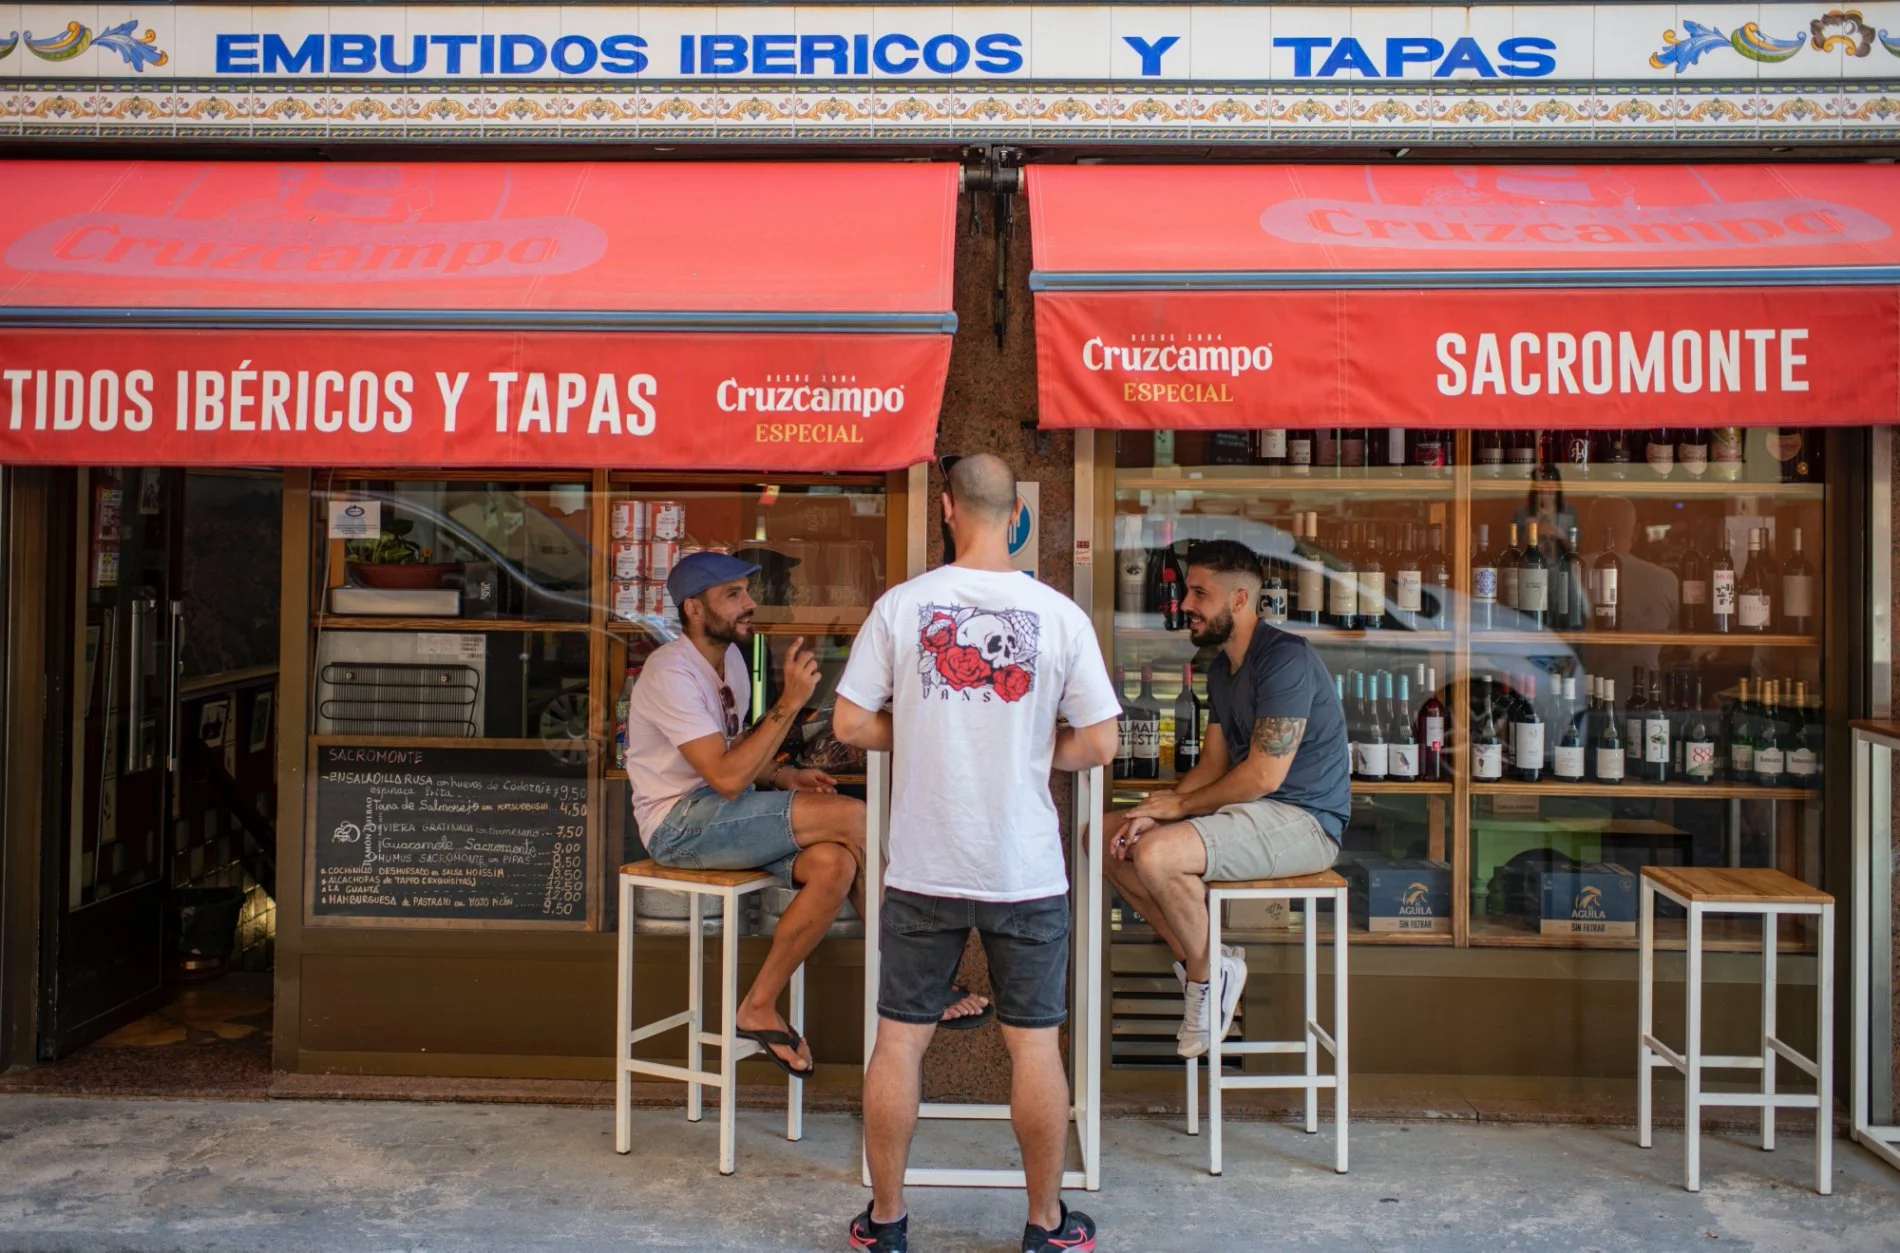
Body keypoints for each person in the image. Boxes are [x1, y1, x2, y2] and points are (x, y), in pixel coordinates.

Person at [833, 454, 1120, 1253]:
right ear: (1019, 519)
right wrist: (1034, 752)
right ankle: (1045, 1225)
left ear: (949, 510)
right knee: (1035, 1044)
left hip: (923, 862)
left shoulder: (902, 606)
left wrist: (917, 733)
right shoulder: (1059, 615)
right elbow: (1099, 740)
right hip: (1023, 868)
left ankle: (885, 1224)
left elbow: (851, 723)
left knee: (899, 1040)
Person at [624, 552, 985, 1077]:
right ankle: (916, 979)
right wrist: (790, 703)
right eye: (733, 595)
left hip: (724, 813)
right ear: (694, 610)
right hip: (679, 826)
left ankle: (758, 1005)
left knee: (835, 863)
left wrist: (780, 777)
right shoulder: (669, 671)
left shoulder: (727, 663)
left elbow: (733, 758)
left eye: (746, 591)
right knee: (855, 820)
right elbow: (723, 778)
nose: (749, 604)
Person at [1102, 539, 1350, 1059]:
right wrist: (1153, 807)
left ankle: (1206, 976)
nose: (1185, 604)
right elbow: (1214, 765)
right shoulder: (1221, 669)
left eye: (1199, 593)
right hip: (1253, 814)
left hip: (1305, 820)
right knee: (1107, 837)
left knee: (1156, 854)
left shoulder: (1285, 659)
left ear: (1239, 601)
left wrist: (1177, 809)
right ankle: (1209, 965)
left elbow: (1263, 773)